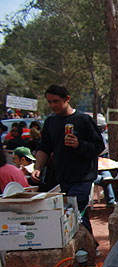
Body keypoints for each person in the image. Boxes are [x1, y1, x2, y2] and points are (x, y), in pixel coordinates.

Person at [32, 85, 105, 233]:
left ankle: (85, 249)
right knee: (72, 216)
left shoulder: (84, 120)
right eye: (50, 102)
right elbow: (44, 148)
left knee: (75, 213)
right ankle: (88, 246)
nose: (53, 105)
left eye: (56, 101)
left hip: (82, 178)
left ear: (67, 99)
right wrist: (37, 168)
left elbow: (98, 147)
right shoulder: (50, 122)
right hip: (61, 179)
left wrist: (79, 145)